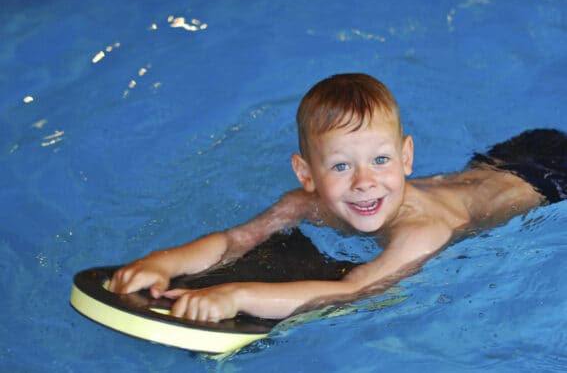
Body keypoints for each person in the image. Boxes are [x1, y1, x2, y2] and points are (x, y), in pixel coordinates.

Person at [109, 73, 566, 322]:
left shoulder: (422, 230)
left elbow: (357, 290)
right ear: (306, 173)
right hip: (487, 170)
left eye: (381, 160)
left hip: (550, 179)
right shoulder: (303, 203)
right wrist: (164, 262)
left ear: (407, 157)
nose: (364, 182)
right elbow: (234, 241)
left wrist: (237, 295)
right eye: (342, 166)